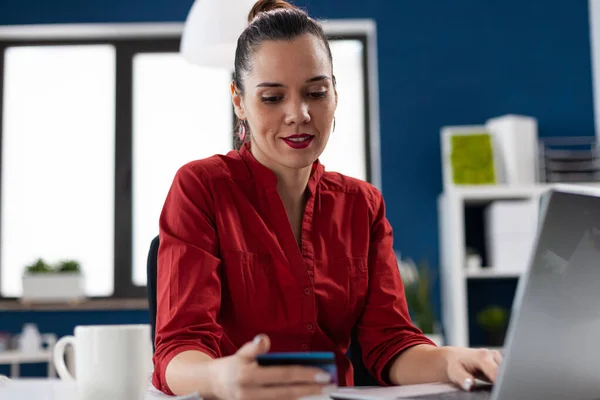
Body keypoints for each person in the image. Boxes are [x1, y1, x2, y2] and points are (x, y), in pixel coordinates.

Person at [152, 0, 502, 398]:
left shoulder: (362, 204)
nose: (298, 114)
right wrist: (219, 378)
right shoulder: (201, 187)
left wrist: (450, 360)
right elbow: (178, 351)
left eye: (315, 92)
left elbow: (390, 344)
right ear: (239, 101)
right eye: (272, 98)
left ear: (335, 93)